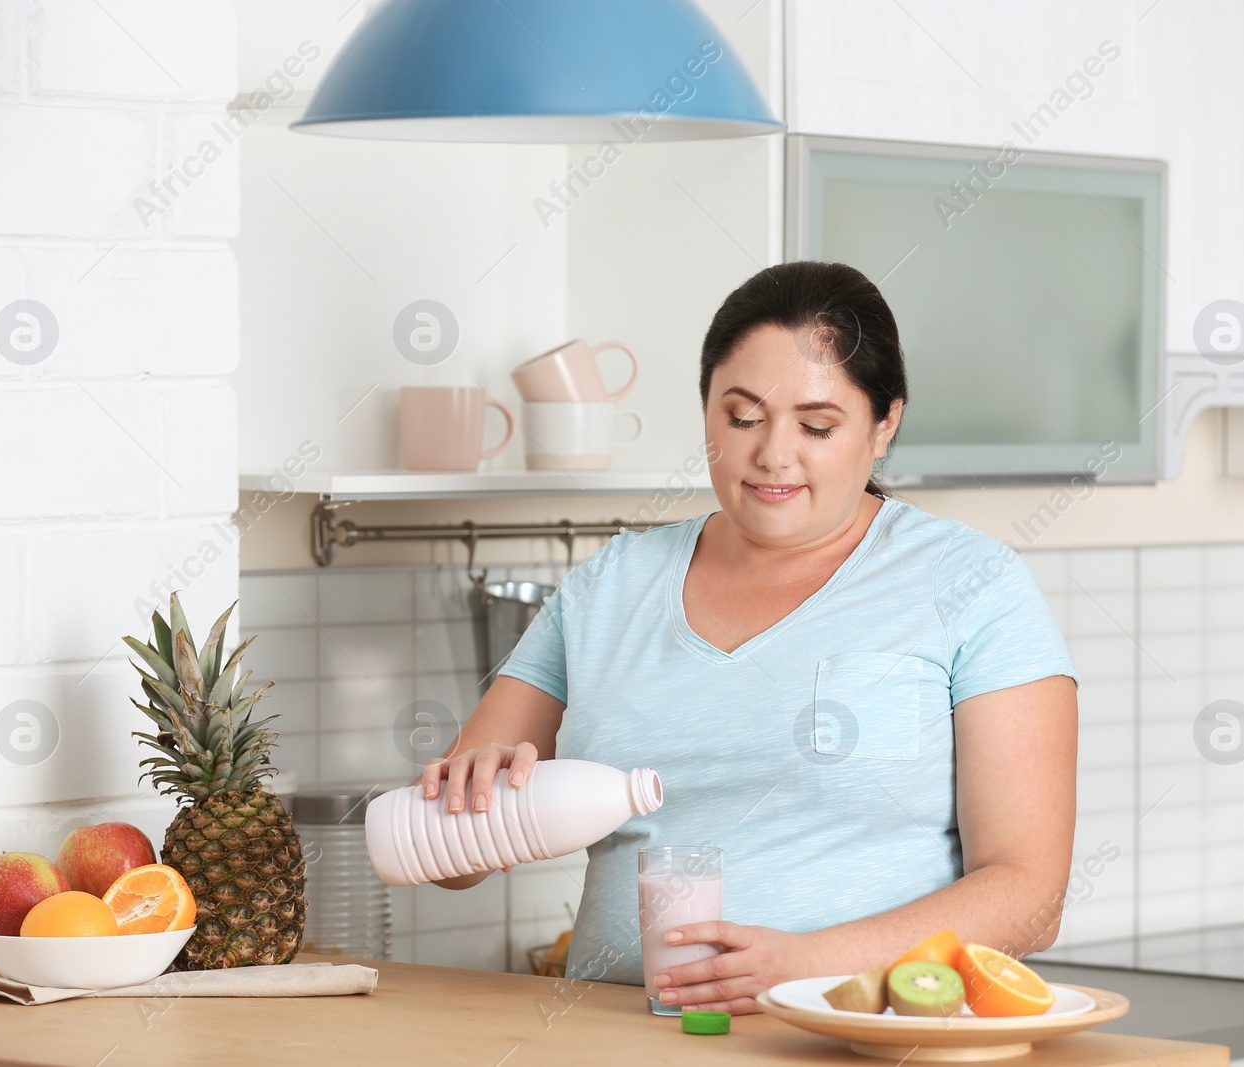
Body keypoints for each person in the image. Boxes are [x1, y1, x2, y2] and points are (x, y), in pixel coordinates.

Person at [421, 260, 1079, 1015]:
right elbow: (453, 862)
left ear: (884, 424)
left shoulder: (973, 585)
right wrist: (468, 797)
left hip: (856, 1042)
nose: (773, 454)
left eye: (817, 425)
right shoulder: (612, 583)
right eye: (742, 418)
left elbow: (1030, 894)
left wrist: (802, 964)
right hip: (610, 1039)